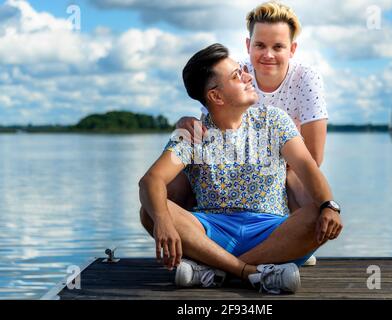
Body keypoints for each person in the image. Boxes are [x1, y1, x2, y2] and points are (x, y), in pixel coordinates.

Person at [139, 43, 342, 294]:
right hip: (211, 232)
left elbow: (306, 167)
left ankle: (216, 270)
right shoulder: (191, 133)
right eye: (237, 75)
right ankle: (254, 273)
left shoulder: (275, 120)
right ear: (216, 96)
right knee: (151, 211)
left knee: (317, 213)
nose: (248, 77)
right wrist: (162, 221)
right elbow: (150, 181)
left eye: (243, 70)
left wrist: (329, 206)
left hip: (271, 234)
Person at [176, 1, 327, 216]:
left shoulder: (306, 78)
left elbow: (314, 157)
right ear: (248, 45)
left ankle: (289, 241)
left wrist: (272, 168)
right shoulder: (236, 74)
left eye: (278, 47)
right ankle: (197, 235)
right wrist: (184, 122)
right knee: (181, 181)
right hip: (236, 166)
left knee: (310, 197)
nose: (268, 54)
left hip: (287, 164)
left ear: (292, 49)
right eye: (260, 45)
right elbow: (212, 125)